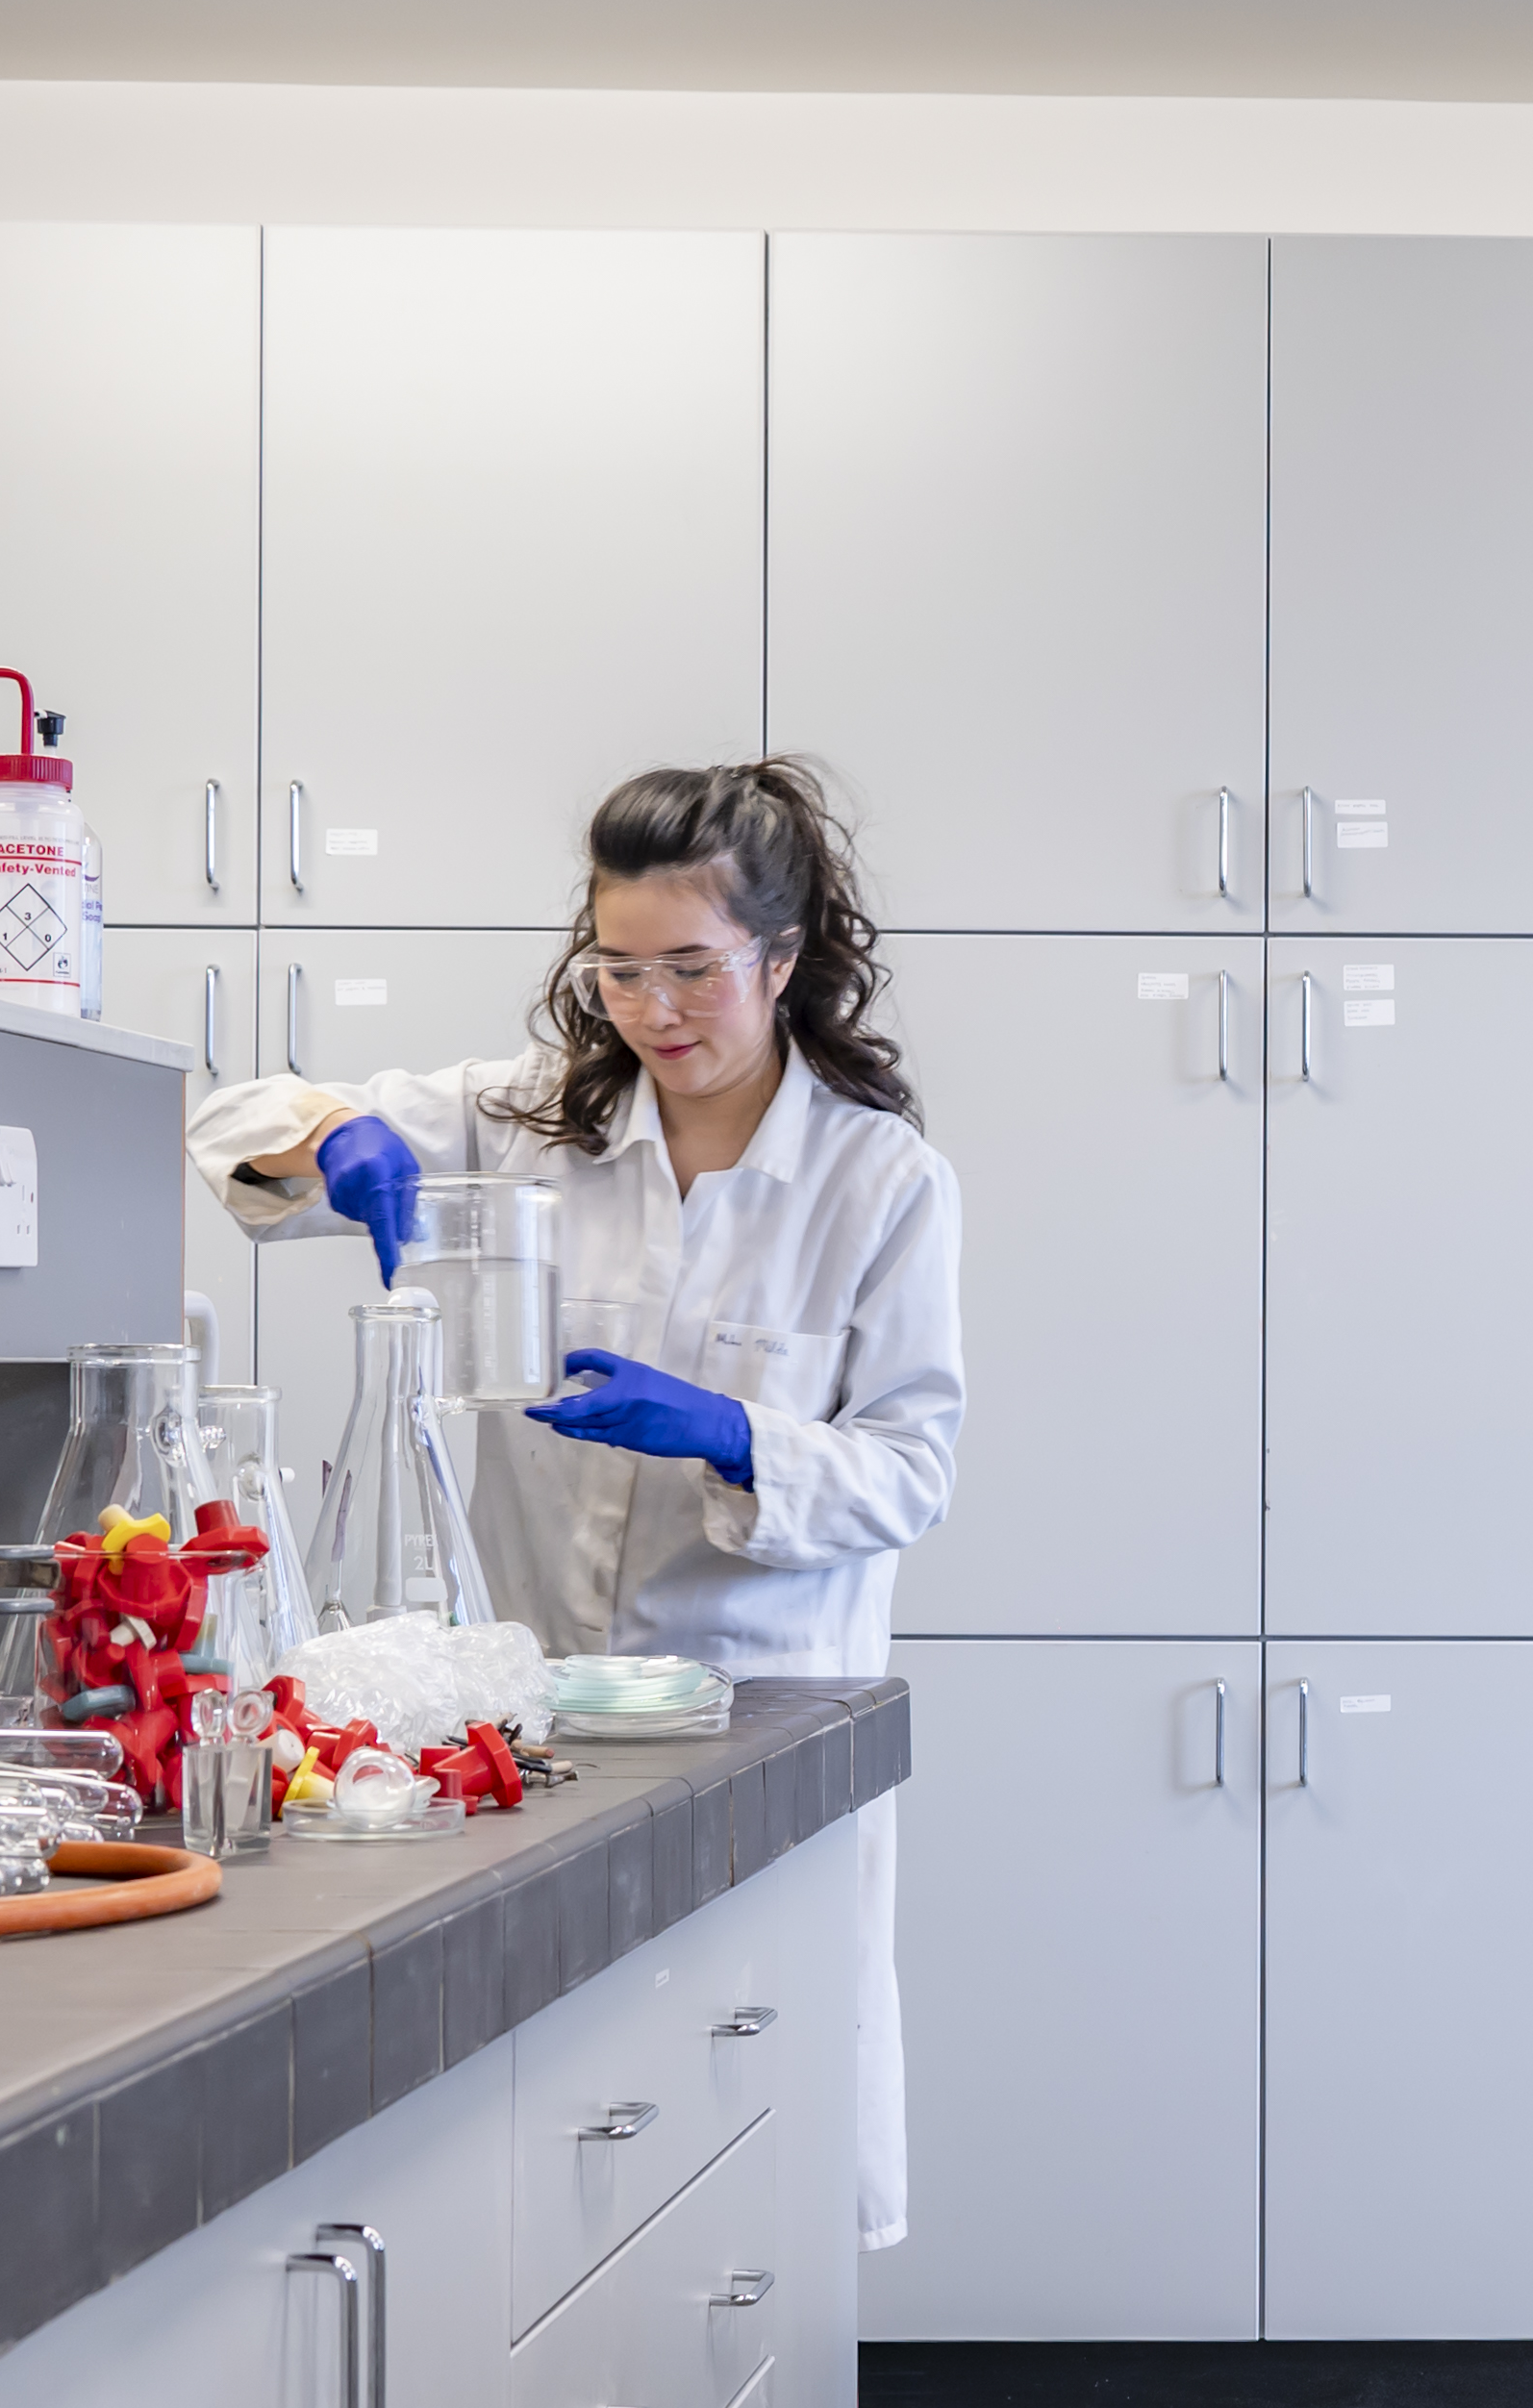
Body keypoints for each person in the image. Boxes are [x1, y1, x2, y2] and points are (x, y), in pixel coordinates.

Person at [188, 757, 960, 2249]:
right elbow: (243, 1118)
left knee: (753, 2137)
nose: (655, 1011)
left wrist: (734, 1432)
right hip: (530, 1732)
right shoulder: (529, 1117)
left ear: (783, 962)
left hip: (761, 1726)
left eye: (694, 970)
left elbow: (912, 1469)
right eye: (619, 970)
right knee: (566, 2137)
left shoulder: (880, 1184)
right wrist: (332, 1138)